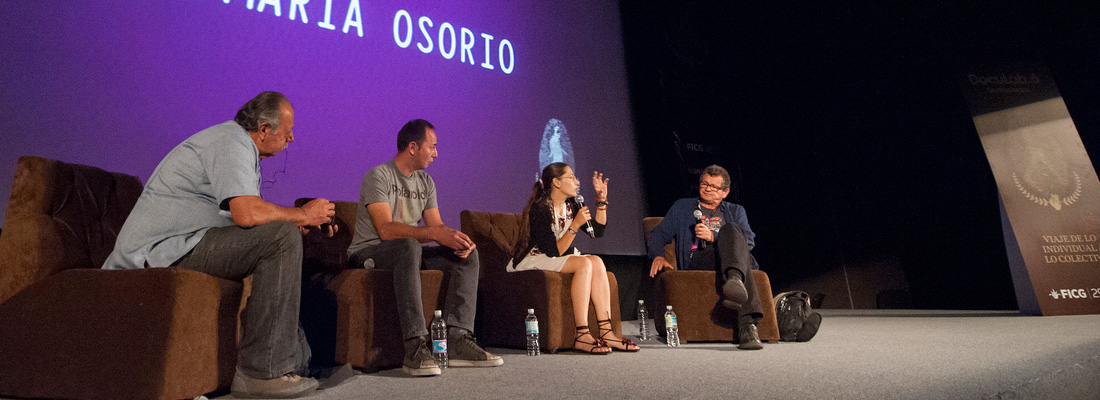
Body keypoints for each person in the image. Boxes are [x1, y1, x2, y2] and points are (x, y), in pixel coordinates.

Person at [102, 91, 336, 398]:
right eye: (287, 130)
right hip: (160, 251)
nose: (292, 138)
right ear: (264, 129)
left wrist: (297, 221)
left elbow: (243, 218)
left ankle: (284, 361)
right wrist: (301, 214)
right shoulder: (232, 142)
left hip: (185, 243)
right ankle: (261, 373)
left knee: (283, 235)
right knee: (281, 238)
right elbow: (247, 213)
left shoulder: (239, 148)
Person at [346, 119, 502, 377]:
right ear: (412, 147)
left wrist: (456, 239)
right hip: (370, 251)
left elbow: (435, 227)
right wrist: (432, 233)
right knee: (408, 246)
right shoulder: (378, 176)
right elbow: (385, 229)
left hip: (408, 252)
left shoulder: (426, 182)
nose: (436, 153)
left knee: (465, 255)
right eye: (432, 147)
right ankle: (415, 346)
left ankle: (457, 339)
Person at [508, 163, 640, 354]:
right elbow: (553, 251)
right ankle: (582, 334)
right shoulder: (540, 208)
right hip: (535, 257)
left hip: (554, 255)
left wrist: (601, 201)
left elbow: (597, 231)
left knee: (597, 261)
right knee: (584, 263)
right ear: (556, 182)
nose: (577, 181)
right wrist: (575, 225)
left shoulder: (573, 204)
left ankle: (606, 331)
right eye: (571, 177)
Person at [646, 165, 765, 350]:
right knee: (742, 262)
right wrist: (658, 256)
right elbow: (657, 234)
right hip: (700, 259)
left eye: (714, 187)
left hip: (731, 260)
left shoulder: (735, 210)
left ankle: (735, 280)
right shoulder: (682, 207)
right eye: (705, 184)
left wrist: (713, 237)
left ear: (725, 192)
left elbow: (748, 240)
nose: (708, 189)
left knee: (732, 229)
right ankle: (747, 324)